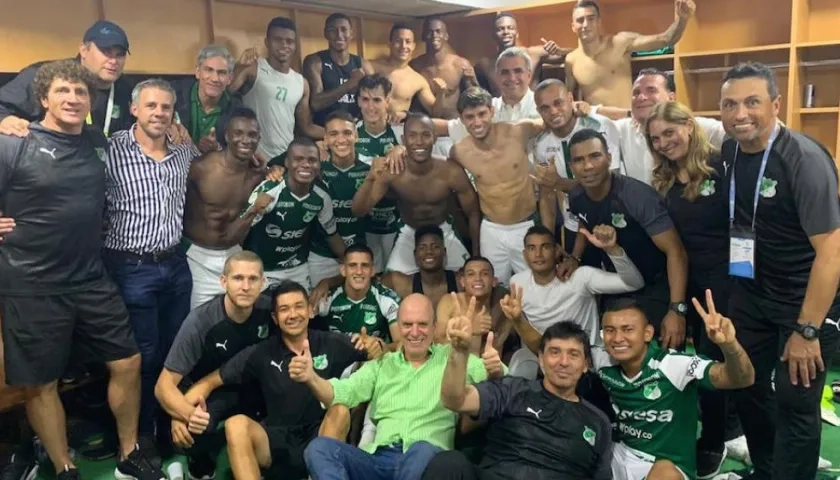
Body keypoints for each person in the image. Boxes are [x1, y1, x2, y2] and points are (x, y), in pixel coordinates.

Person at [0, 59, 156, 480]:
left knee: (127, 361)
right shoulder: (13, 141)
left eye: (80, 92)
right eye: (63, 91)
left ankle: (129, 454)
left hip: (90, 277)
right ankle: (64, 466)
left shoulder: (96, 141)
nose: (72, 99)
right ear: (43, 98)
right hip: (31, 282)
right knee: (42, 382)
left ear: (90, 101)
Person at [718, 62, 840, 480]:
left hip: (802, 302)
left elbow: (832, 252)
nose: (740, 114)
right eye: (730, 104)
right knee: (747, 385)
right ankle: (767, 470)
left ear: (775, 104)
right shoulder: (731, 150)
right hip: (752, 295)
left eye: (752, 102)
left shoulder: (803, 159)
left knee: (795, 401)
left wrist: (807, 330)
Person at [179, 280, 382, 480]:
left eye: (299, 306)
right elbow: (210, 382)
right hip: (276, 441)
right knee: (235, 424)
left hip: (320, 434)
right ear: (275, 318)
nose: (293, 314)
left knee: (340, 409)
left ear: (310, 310)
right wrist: (179, 415)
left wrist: (377, 346)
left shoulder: (332, 342)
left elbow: (382, 352)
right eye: (284, 309)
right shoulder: (260, 352)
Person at [296, 293, 503, 480]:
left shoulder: (455, 356)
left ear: (434, 327)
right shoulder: (382, 364)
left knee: (421, 448)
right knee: (319, 448)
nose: (415, 332)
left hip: (429, 459)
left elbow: (506, 383)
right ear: (398, 328)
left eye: (422, 324)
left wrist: (495, 369)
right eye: (407, 324)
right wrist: (311, 377)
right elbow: (339, 393)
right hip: (378, 459)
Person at [103, 78, 198, 453]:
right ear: (134, 109)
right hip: (131, 268)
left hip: (175, 264)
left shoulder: (183, 151)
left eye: (166, 107)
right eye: (151, 106)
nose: (159, 113)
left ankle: (168, 429)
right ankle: (140, 437)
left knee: (175, 354)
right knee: (142, 357)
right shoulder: (111, 150)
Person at [643, 100, 736, 477]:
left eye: (669, 133)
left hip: (726, 280)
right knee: (686, 359)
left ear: (689, 127)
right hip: (686, 279)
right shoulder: (664, 179)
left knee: (714, 360)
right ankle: (706, 428)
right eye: (655, 139)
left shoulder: (721, 165)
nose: (664, 143)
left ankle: (714, 440)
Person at [428, 319, 613, 480]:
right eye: (555, 352)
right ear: (541, 359)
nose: (563, 362)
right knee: (449, 462)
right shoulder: (513, 390)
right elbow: (455, 401)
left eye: (573, 354)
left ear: (585, 365)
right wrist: (459, 353)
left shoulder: (598, 422)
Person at [599, 294, 755, 480]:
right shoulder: (602, 363)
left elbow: (742, 379)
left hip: (664, 467)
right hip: (618, 456)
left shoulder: (673, 365)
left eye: (627, 329)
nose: (617, 338)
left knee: (665, 472)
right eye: (609, 330)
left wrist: (729, 345)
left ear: (647, 333)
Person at [565, 128, 690, 351]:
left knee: (660, 360)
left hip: (656, 287)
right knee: (619, 356)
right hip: (618, 285)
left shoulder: (636, 197)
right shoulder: (576, 196)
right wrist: (575, 257)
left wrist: (676, 309)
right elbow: (584, 221)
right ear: (571, 166)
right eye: (579, 160)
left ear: (609, 158)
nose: (588, 166)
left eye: (595, 156)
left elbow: (676, 251)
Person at [155, 252, 273, 480]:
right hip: (209, 391)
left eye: (252, 279)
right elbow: (163, 387)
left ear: (263, 282)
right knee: (193, 429)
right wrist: (183, 414)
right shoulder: (200, 321)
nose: (245, 286)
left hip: (255, 385)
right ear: (223, 281)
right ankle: (200, 460)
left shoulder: (271, 310)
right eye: (238, 278)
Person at [507, 225, 644, 378]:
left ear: (557, 250)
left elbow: (633, 283)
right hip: (544, 358)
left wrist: (612, 249)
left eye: (545, 247)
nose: (538, 254)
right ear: (525, 255)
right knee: (519, 363)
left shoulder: (580, 277)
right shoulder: (517, 283)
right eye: (531, 248)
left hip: (587, 358)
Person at [351, 113, 479, 274]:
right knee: (391, 282)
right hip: (408, 232)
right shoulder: (392, 170)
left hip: (443, 230)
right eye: (412, 135)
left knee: (469, 276)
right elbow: (358, 210)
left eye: (425, 135)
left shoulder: (451, 171)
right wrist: (370, 178)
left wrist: (476, 253)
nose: (419, 141)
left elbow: (473, 212)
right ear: (404, 140)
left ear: (434, 138)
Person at [449, 87, 552, 284]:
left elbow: (551, 121)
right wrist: (401, 150)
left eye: (482, 114)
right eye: (470, 117)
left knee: (536, 284)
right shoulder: (459, 152)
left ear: (492, 111)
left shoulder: (519, 131)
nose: (477, 122)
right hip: (491, 230)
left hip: (526, 224)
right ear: (461, 119)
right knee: (492, 287)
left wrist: (579, 108)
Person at [182, 107, 272, 309]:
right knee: (197, 320)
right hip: (198, 257)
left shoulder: (259, 175)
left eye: (252, 135)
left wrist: (275, 170)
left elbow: (278, 177)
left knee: (240, 318)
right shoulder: (202, 167)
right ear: (227, 136)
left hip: (234, 254)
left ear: (259, 139)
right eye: (238, 133)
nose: (246, 140)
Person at [530, 78, 621, 255]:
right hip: (573, 225)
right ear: (538, 111)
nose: (553, 111)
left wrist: (560, 183)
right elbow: (547, 196)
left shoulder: (600, 126)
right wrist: (548, 239)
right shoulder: (541, 144)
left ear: (571, 99)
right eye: (545, 108)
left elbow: (611, 183)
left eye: (558, 103)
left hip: (611, 220)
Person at [590, 69, 727, 185]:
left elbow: (733, 132)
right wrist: (593, 110)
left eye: (651, 90)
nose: (641, 97)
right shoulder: (621, 129)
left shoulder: (695, 126)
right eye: (636, 93)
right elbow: (591, 120)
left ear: (671, 98)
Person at [0, 20, 133, 138]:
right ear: (83, 50)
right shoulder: (47, 76)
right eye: (106, 52)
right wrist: (5, 120)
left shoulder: (126, 90)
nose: (113, 61)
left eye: (120, 54)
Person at [244, 136, 344, 291]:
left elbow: (332, 235)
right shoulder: (270, 189)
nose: (306, 164)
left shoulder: (321, 197)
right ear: (287, 162)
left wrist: (351, 262)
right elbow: (241, 231)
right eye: (298, 159)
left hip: (297, 268)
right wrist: (253, 211)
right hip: (262, 268)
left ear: (319, 164)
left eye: (312, 160)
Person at [564, 0, 695, 109]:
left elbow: (666, 39)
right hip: (596, 127)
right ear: (573, 26)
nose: (585, 24)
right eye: (580, 20)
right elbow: (568, 102)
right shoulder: (571, 60)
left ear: (599, 22)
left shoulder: (620, 42)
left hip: (626, 122)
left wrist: (682, 20)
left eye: (591, 19)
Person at [231, 17, 324, 164]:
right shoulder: (253, 69)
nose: (284, 45)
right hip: (254, 159)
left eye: (289, 41)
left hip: (286, 160)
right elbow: (225, 95)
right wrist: (237, 69)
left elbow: (306, 127)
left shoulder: (301, 83)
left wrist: (336, 133)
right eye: (278, 40)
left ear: (295, 46)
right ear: (267, 42)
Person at [308, 110, 371, 287]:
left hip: (360, 253)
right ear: (325, 139)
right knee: (319, 301)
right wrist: (276, 169)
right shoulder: (314, 168)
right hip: (321, 255)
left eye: (347, 133)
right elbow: (285, 160)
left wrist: (399, 149)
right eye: (334, 134)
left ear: (356, 136)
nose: (341, 140)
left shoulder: (370, 168)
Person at [354, 74, 403, 273]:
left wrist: (403, 149)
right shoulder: (349, 134)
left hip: (396, 224)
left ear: (387, 101)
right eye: (365, 99)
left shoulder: (401, 133)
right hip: (361, 225)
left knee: (394, 279)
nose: (371, 106)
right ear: (358, 101)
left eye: (377, 100)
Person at [315, 245, 401, 344]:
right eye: (352, 265)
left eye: (365, 265)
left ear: (373, 270)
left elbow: (400, 344)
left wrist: (381, 347)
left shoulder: (387, 299)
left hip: (375, 353)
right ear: (343, 270)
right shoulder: (327, 298)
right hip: (336, 353)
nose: (359, 272)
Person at [304, 13, 375, 127]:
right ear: (325, 34)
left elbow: (376, 100)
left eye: (344, 30)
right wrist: (350, 84)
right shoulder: (315, 62)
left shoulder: (362, 64)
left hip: (355, 130)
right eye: (333, 30)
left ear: (351, 34)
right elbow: (316, 103)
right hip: (324, 131)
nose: (339, 35)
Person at [474, 12, 569, 97]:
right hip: (502, 110)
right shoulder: (485, 64)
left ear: (517, 33)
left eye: (510, 28)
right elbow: (480, 94)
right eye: (500, 29)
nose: (506, 32)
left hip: (532, 109)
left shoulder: (533, 54)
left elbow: (573, 55)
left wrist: (559, 51)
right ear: (494, 35)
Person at [435, 257, 511, 356]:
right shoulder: (450, 301)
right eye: (471, 274)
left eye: (484, 274)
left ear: (494, 281)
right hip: (452, 363)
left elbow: (496, 350)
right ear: (462, 282)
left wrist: (517, 318)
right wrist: (471, 329)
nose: (478, 278)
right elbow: (437, 342)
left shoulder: (503, 308)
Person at [173, 44, 242, 153]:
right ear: (197, 72)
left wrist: (217, 148)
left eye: (222, 73)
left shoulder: (237, 110)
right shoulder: (173, 94)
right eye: (209, 70)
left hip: (213, 163)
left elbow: (238, 151)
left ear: (230, 78)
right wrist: (168, 126)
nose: (215, 79)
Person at [409, 17, 478, 120]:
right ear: (423, 36)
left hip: (453, 123)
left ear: (446, 36)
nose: (434, 35)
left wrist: (474, 80)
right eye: (430, 32)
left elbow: (477, 99)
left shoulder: (460, 64)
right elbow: (408, 98)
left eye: (438, 31)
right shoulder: (415, 66)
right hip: (426, 124)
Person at [370, 23, 443, 116]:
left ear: (413, 46)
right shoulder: (372, 67)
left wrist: (441, 94)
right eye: (398, 41)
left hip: (398, 124)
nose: (403, 46)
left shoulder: (417, 80)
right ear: (389, 44)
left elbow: (435, 112)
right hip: (369, 122)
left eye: (408, 42)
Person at [381, 225, 460, 308]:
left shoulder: (460, 282)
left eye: (435, 247)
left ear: (444, 252)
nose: (429, 251)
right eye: (422, 247)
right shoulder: (400, 284)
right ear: (415, 254)